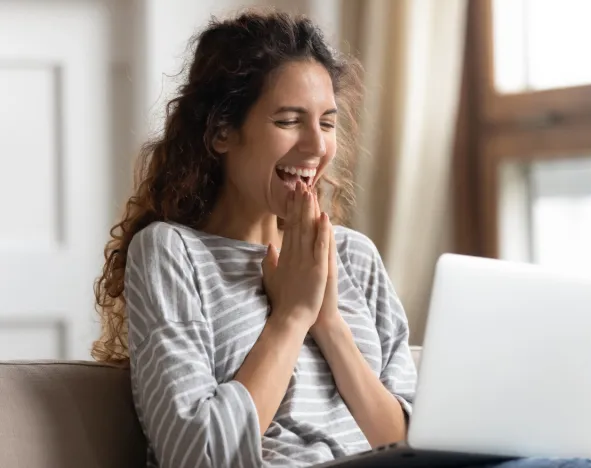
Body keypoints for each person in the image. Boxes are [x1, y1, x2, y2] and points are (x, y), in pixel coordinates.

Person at [93, 9, 417, 467]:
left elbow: (410, 443)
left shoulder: (355, 256)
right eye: (288, 121)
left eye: (327, 122)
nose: (317, 146)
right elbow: (199, 457)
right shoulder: (171, 254)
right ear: (222, 131)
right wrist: (292, 316)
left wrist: (328, 323)